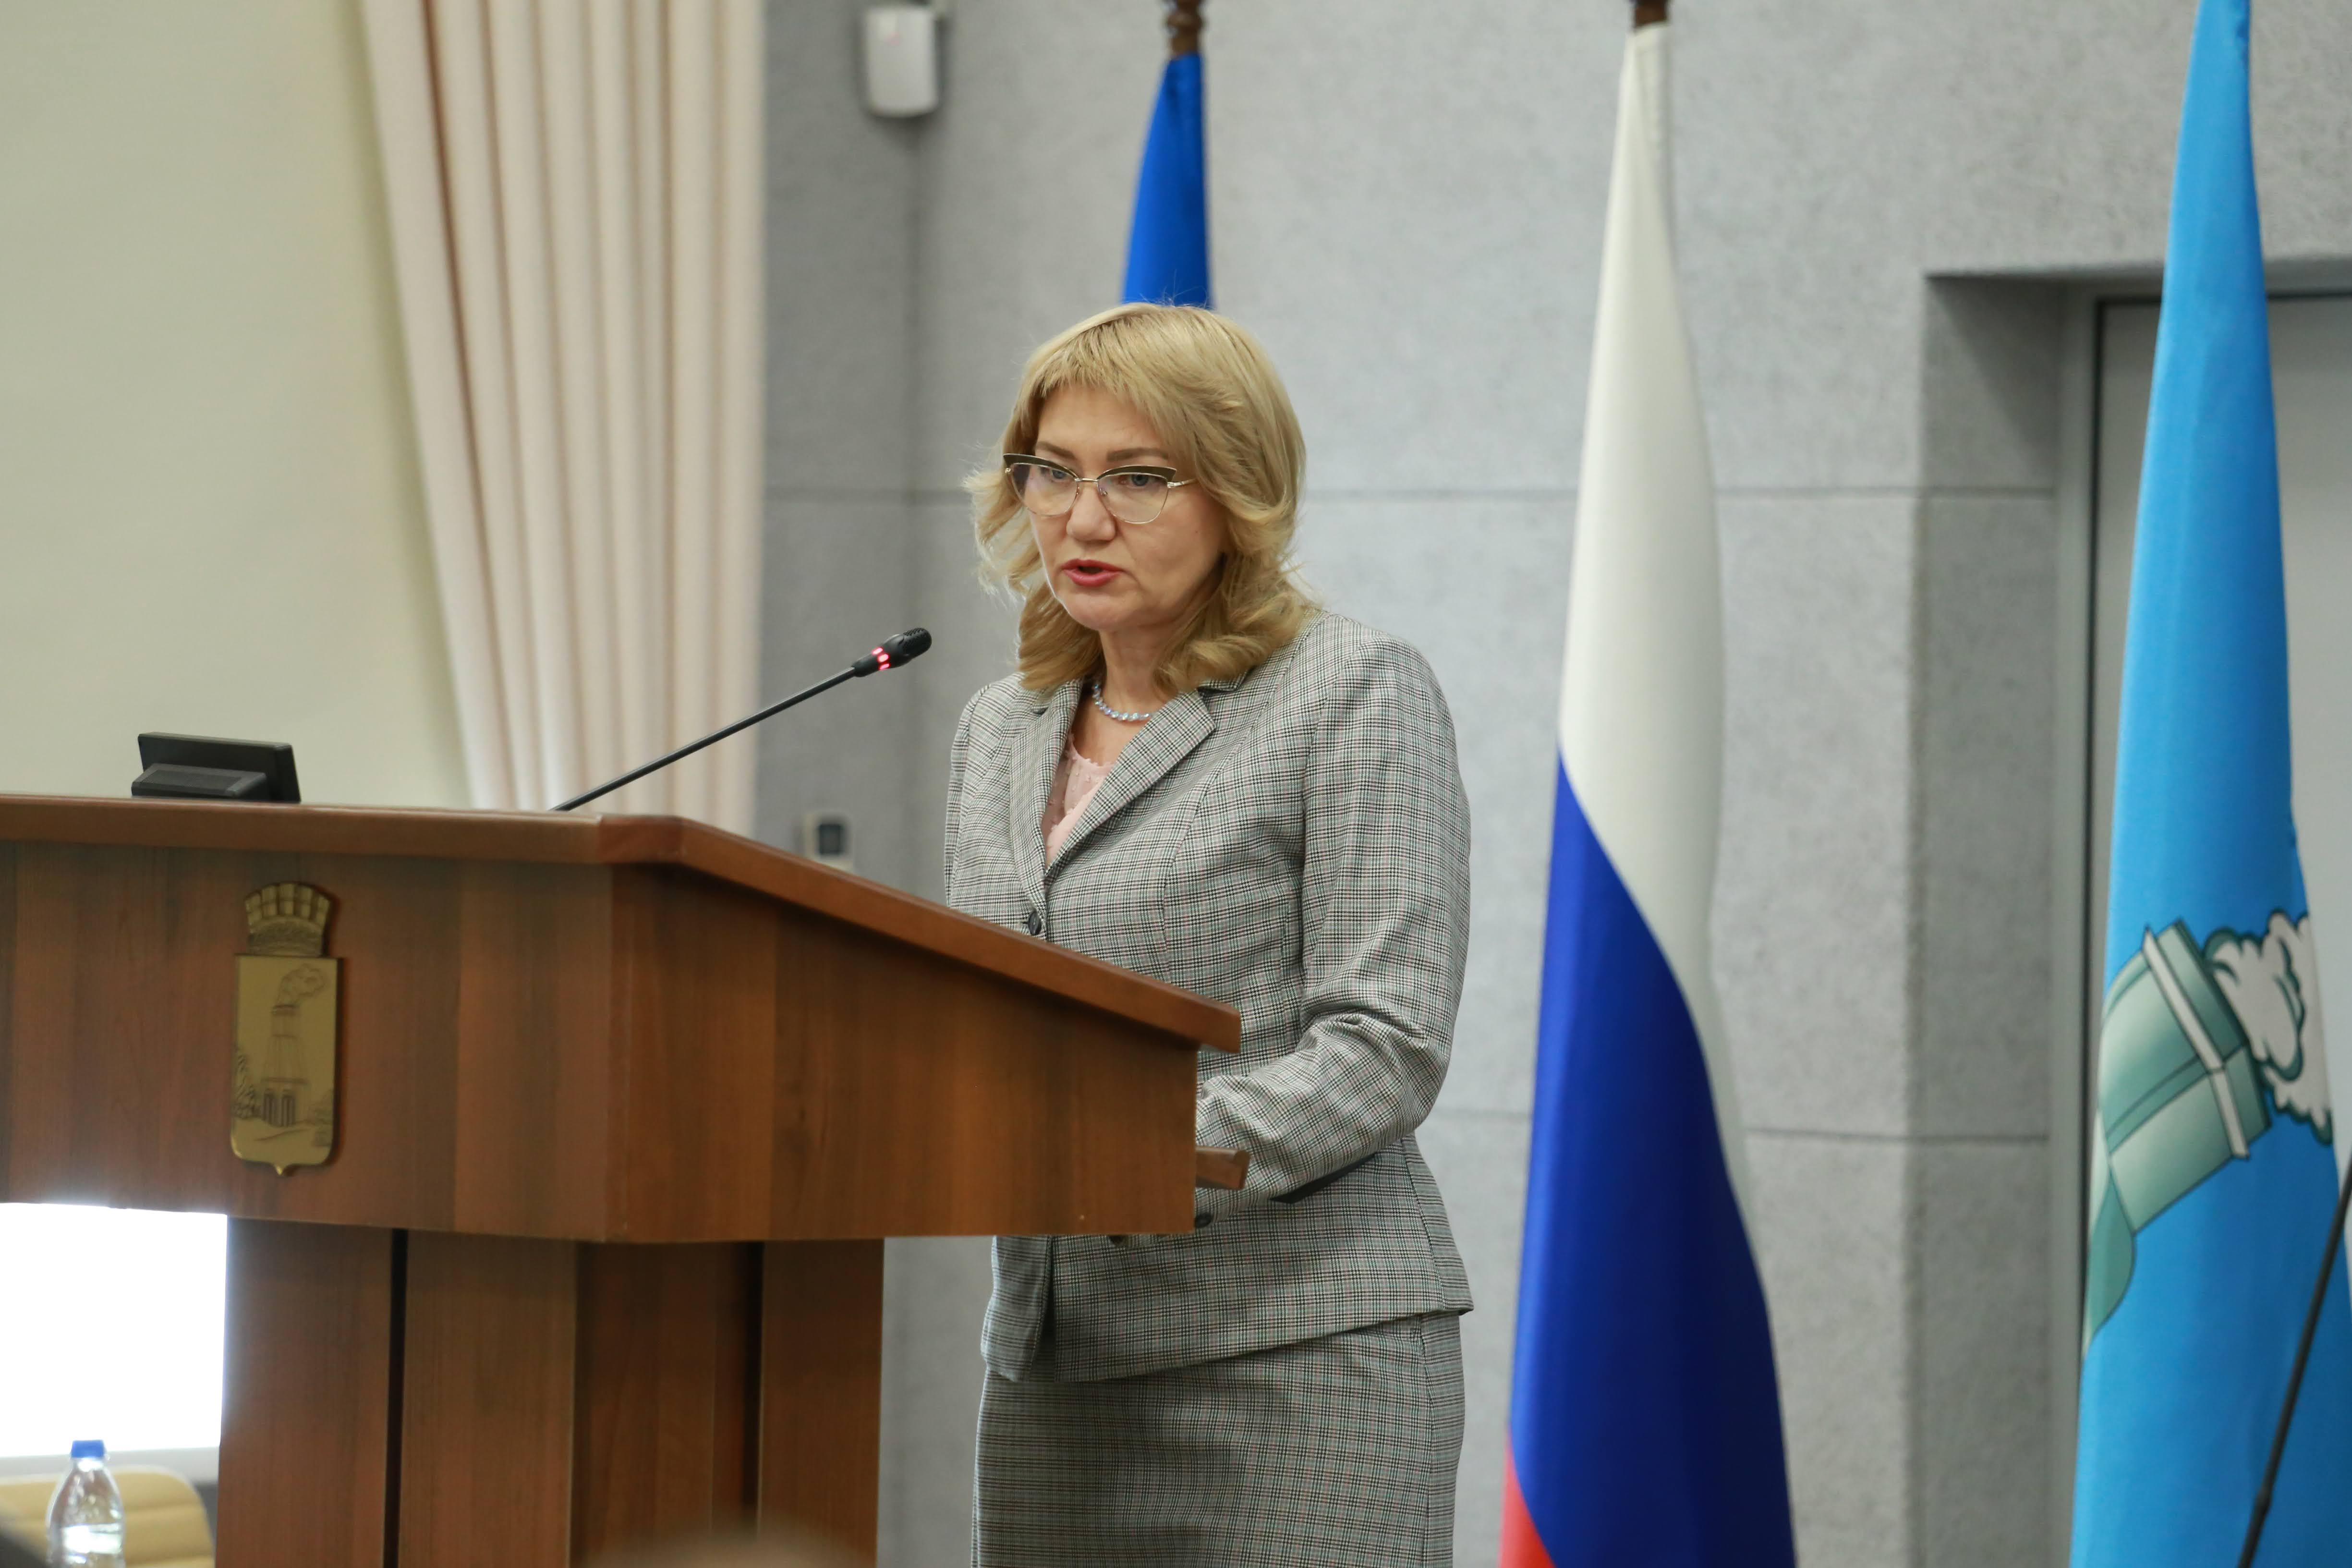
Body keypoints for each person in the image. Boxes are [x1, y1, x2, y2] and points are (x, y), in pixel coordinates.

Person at [944, 302, 1474, 1567]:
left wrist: (1122, 1146)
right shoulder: (1002, 725)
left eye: (1137, 479)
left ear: (1239, 493)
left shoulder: (1349, 691)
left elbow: (1384, 1045)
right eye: (1051, 472)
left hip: (1298, 1351)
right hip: (1059, 1365)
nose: (1081, 520)